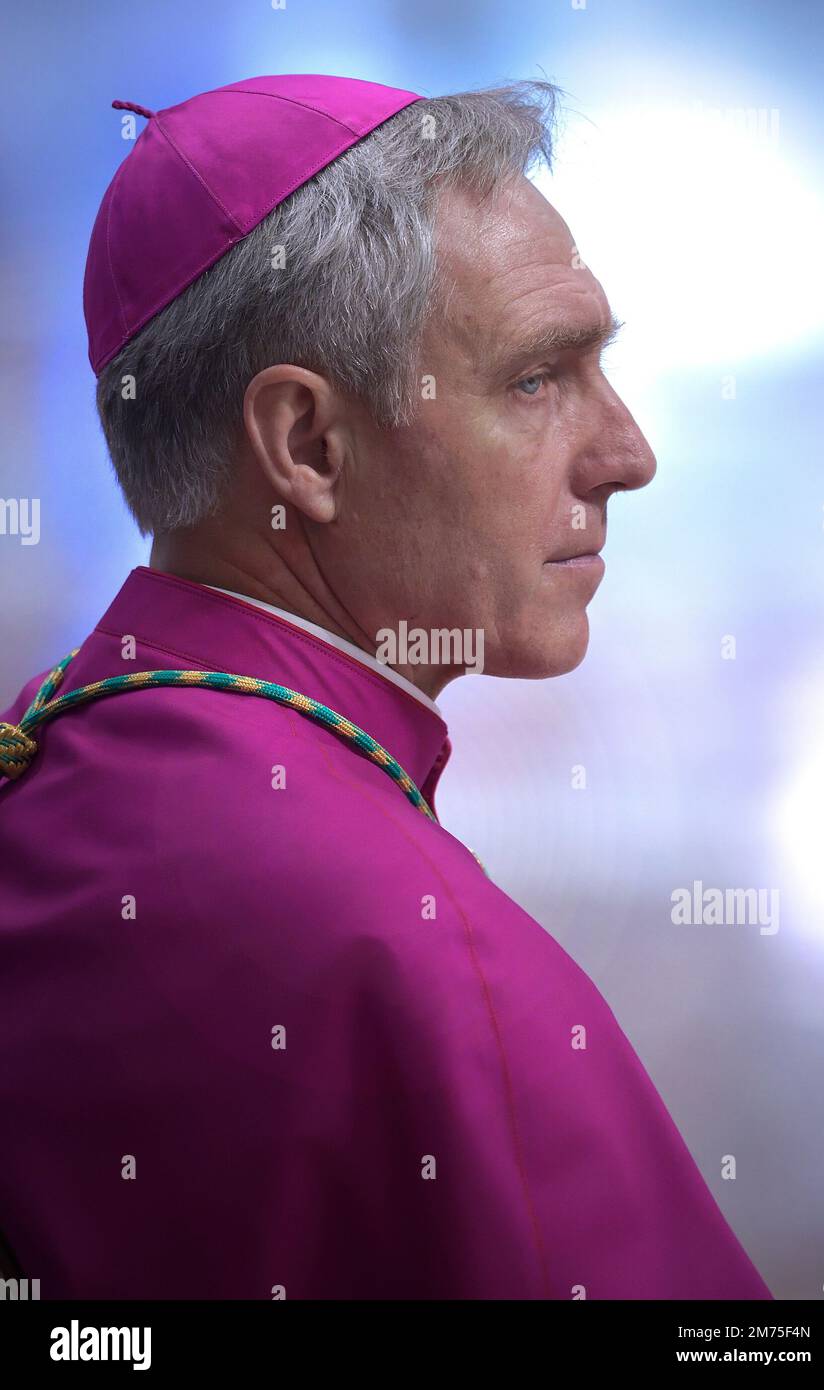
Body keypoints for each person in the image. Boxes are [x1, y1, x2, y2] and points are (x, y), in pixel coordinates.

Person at [0, 73, 772, 1299]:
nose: (629, 454)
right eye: (536, 377)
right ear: (307, 446)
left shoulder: (45, 740)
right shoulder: (431, 969)